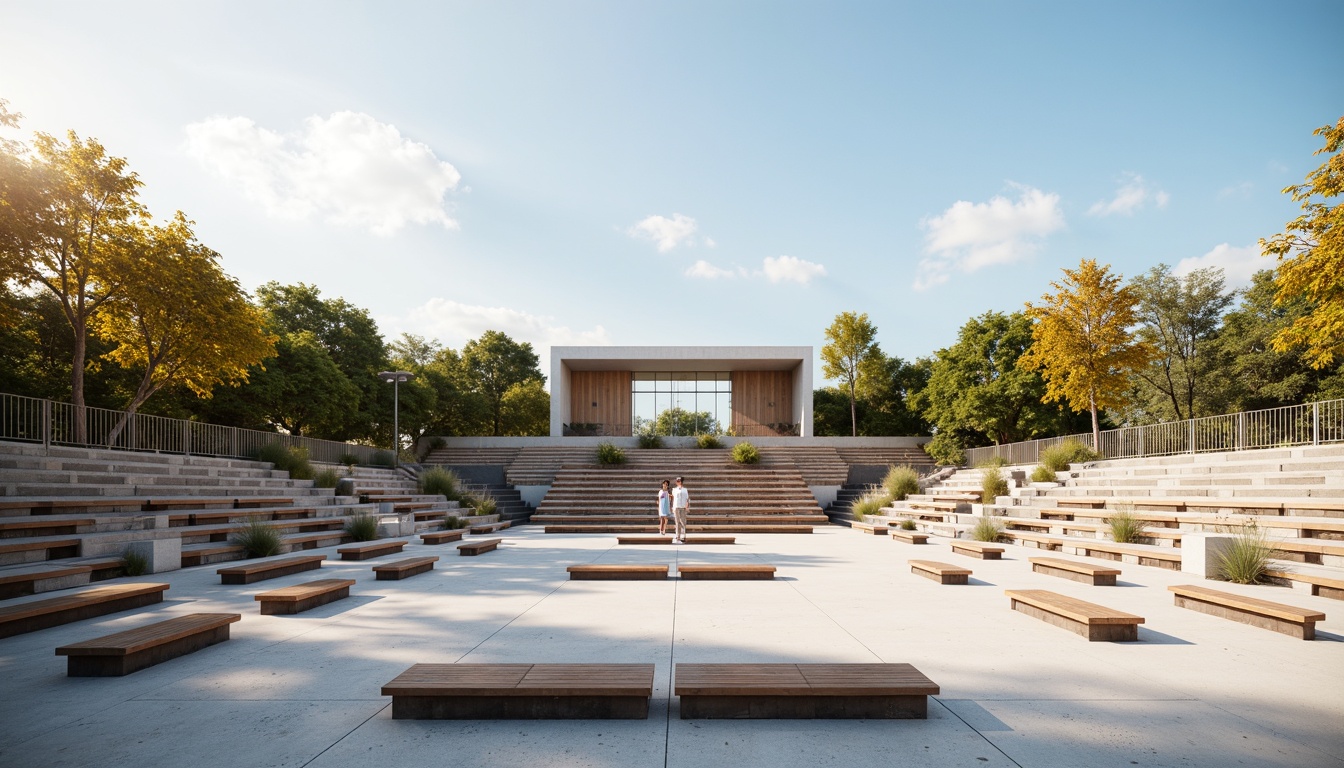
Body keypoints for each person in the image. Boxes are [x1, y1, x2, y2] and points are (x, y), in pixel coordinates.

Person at [671, 476, 690, 543]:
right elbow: (673, 499)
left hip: (683, 507)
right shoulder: (674, 490)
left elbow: (687, 499)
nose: (679, 482)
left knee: (683, 522)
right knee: (677, 522)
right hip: (677, 507)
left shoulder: (685, 490)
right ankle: (677, 535)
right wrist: (673, 507)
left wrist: (687, 506)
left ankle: (683, 535)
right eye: (678, 481)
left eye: (680, 481)